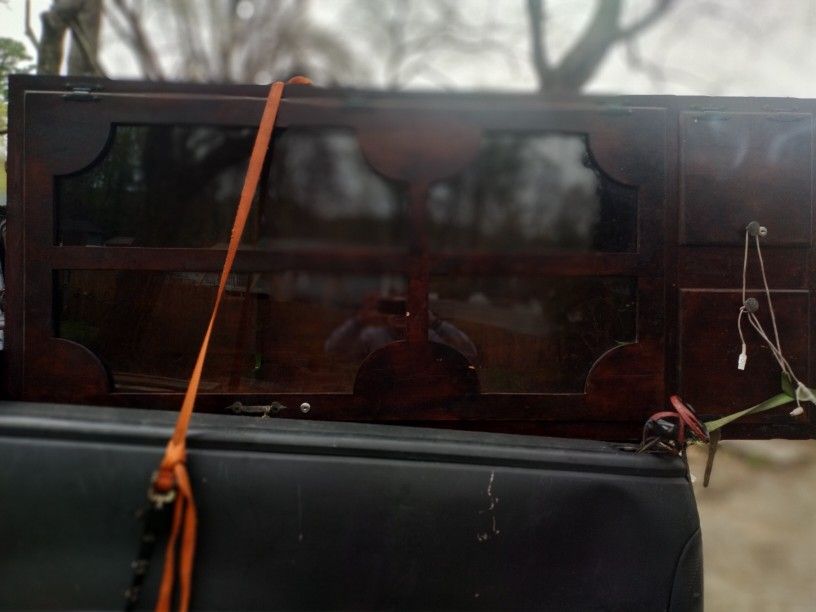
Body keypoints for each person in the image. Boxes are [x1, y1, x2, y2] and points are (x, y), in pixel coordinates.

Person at [325, 294, 477, 363]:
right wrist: (358, 322)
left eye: (405, 309)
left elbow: (469, 353)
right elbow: (333, 349)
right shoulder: (372, 336)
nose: (399, 314)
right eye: (394, 309)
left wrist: (436, 324)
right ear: (385, 314)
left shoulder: (429, 337)